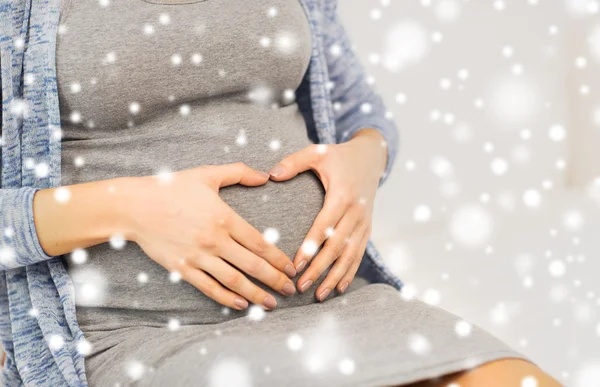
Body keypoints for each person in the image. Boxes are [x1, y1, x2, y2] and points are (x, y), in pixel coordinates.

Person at [0, 0, 561, 385]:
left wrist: (364, 162)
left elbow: (360, 113)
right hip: (136, 332)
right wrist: (132, 208)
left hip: (332, 304)